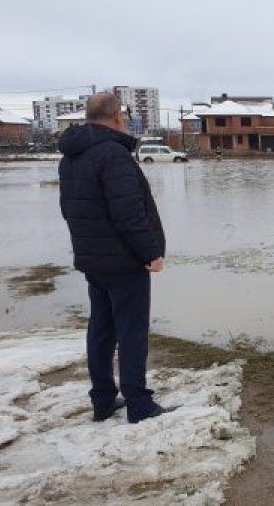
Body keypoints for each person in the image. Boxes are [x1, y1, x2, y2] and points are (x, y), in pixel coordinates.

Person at [58, 93, 174, 424]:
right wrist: (150, 252)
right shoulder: (113, 155)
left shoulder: (71, 157)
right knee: (132, 331)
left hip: (93, 259)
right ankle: (139, 404)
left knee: (101, 329)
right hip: (124, 261)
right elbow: (128, 212)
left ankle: (104, 400)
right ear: (118, 117)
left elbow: (69, 210)